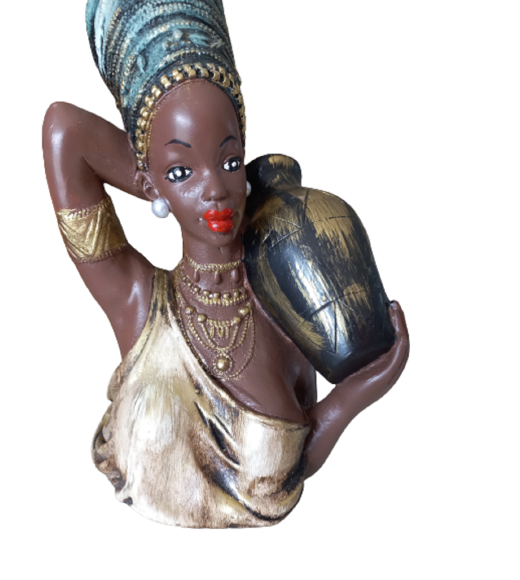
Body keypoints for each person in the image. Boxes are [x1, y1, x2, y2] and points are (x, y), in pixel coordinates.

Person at [42, 0, 409, 528]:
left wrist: (356, 393)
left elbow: (292, 465)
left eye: (229, 160)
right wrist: (154, 177)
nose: (215, 187)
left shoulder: (285, 303)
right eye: (185, 171)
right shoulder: (137, 300)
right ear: (149, 180)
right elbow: (64, 130)